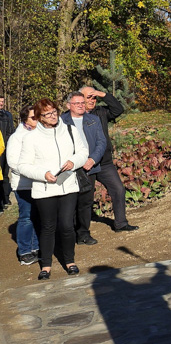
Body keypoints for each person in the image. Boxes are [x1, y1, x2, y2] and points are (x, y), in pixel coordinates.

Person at [18, 99, 88, 280]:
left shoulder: (70, 131)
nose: (53, 116)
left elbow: (82, 152)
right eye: (48, 114)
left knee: (66, 225)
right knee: (48, 227)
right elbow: (23, 165)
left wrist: (74, 162)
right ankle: (46, 265)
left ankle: (70, 261)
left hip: (68, 185)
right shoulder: (30, 138)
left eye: (54, 112)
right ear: (40, 118)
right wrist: (43, 174)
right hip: (45, 188)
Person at [79, 85, 138, 232]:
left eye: (94, 97)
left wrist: (103, 94)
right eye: (89, 97)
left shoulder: (101, 112)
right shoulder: (75, 116)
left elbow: (118, 109)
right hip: (86, 164)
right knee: (85, 199)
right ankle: (81, 231)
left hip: (105, 162)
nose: (92, 100)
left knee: (118, 189)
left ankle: (121, 224)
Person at [61, 91, 107, 245]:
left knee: (85, 202)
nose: (81, 105)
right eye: (77, 103)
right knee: (69, 202)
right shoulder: (61, 121)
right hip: (69, 167)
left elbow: (102, 141)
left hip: (89, 167)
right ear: (69, 105)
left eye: (82, 102)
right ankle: (68, 234)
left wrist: (93, 159)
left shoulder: (93, 120)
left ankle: (84, 234)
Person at [7, 105, 39, 265]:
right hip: (23, 184)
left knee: (36, 216)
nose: (37, 120)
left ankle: (35, 247)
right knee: (26, 217)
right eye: (34, 117)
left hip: (38, 183)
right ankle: (25, 251)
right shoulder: (17, 137)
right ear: (25, 119)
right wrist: (31, 171)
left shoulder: (38, 133)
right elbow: (12, 162)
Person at [0, 96, 14, 211]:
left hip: (6, 149)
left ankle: (5, 197)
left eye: (2, 102)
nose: (1, 104)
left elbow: (11, 131)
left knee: (5, 174)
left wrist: (7, 145)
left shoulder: (7, 115)